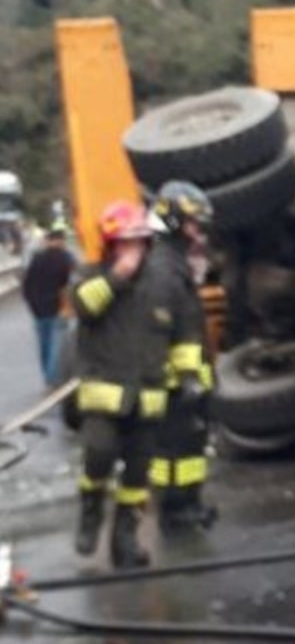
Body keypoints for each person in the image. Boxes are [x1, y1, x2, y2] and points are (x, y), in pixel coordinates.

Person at [71, 200, 186, 569]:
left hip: (149, 397)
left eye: (139, 241)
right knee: (98, 455)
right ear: (111, 244)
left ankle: (125, 541)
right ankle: (90, 513)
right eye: (126, 241)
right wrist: (117, 276)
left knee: (138, 475)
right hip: (104, 395)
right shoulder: (91, 276)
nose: (133, 248)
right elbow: (83, 306)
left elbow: (185, 334)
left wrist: (189, 376)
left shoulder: (162, 287)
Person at [144, 181, 219, 532]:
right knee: (172, 449)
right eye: (192, 222)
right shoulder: (163, 268)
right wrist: (187, 377)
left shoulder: (174, 262)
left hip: (184, 381)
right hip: (173, 384)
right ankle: (173, 507)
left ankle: (188, 502)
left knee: (190, 447)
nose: (197, 230)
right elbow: (169, 329)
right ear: (174, 221)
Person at [21, 223, 77, 387]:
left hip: (37, 308)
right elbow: (73, 282)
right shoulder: (66, 258)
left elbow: (27, 284)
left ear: (48, 240)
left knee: (44, 344)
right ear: (61, 240)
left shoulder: (37, 258)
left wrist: (31, 303)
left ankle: (47, 374)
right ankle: (54, 378)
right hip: (58, 306)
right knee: (57, 344)